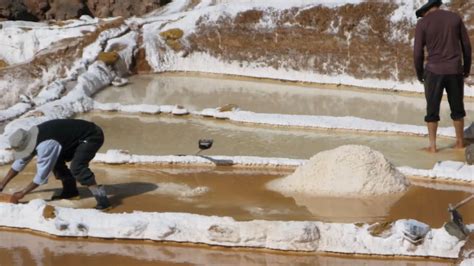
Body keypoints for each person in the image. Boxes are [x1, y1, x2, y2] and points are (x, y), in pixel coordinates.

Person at [0, 119, 111, 210]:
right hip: (71, 139)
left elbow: (42, 175)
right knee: (55, 161)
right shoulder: (29, 137)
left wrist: (23, 193)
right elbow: (20, 161)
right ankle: (70, 192)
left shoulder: (45, 146)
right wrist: (2, 184)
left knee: (77, 168)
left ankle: (103, 200)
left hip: (91, 136)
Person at [414, 0, 471, 153]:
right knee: (457, 108)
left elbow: (418, 53)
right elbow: (466, 46)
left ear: (425, 11)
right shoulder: (455, 18)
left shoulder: (423, 23)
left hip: (433, 72)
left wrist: (420, 74)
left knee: (432, 110)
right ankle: (460, 143)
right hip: (454, 70)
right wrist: (466, 68)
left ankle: (432, 146)